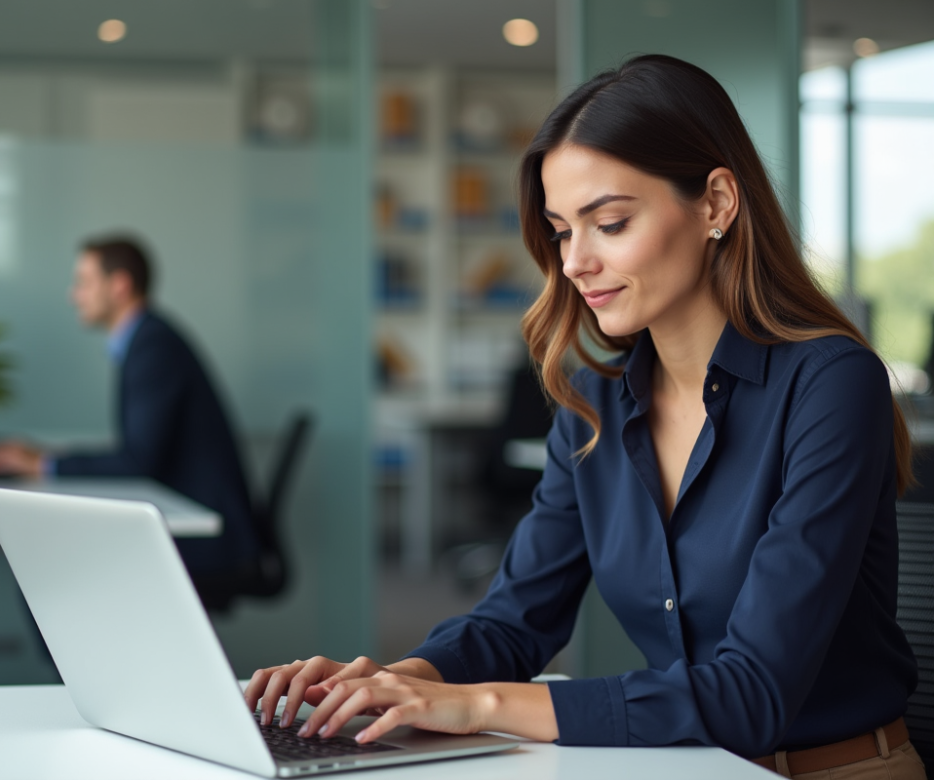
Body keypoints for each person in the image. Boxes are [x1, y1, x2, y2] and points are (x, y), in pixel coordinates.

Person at [244, 55, 925, 780]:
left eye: (609, 223)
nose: (574, 262)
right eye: (562, 230)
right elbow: (513, 623)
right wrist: (388, 685)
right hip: (688, 768)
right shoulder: (593, 400)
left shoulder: (830, 385)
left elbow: (750, 694)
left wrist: (477, 707)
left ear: (717, 204)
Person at [0, 236, 260, 579]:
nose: (74, 295)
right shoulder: (148, 339)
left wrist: (42, 464)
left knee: (51, 581)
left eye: (84, 283)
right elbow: (139, 453)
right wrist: (45, 457)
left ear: (119, 285)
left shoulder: (152, 348)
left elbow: (137, 459)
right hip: (190, 518)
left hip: (206, 532)